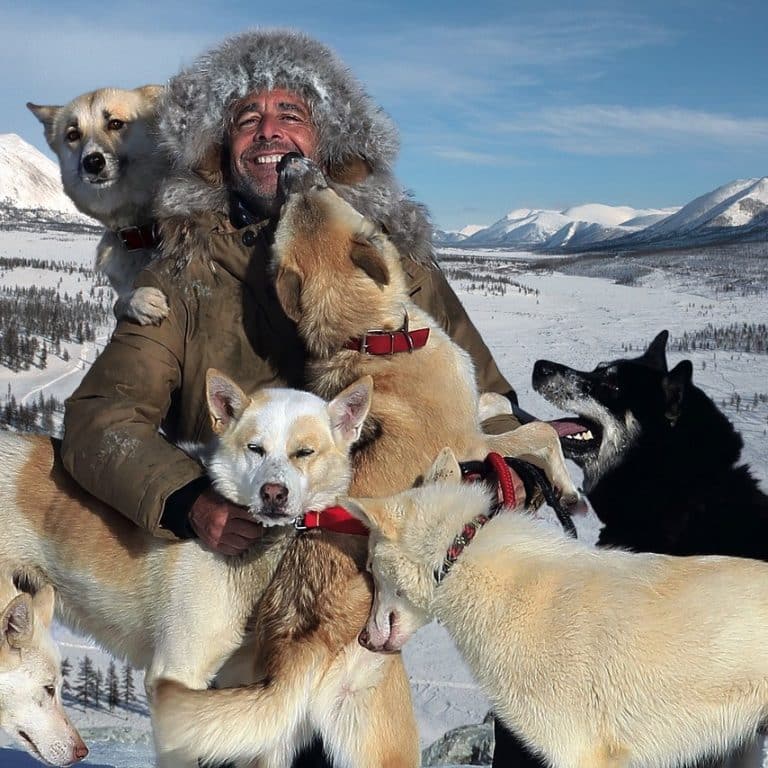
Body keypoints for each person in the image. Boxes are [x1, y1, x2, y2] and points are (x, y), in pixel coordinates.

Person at [60, 28, 538, 767]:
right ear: (220, 150)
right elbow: (100, 421)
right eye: (247, 117)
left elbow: (483, 395)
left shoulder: (385, 255)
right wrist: (191, 502)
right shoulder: (183, 274)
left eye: (291, 112)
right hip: (232, 598)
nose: (269, 129)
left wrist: (519, 456)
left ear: (325, 136)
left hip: (350, 596)